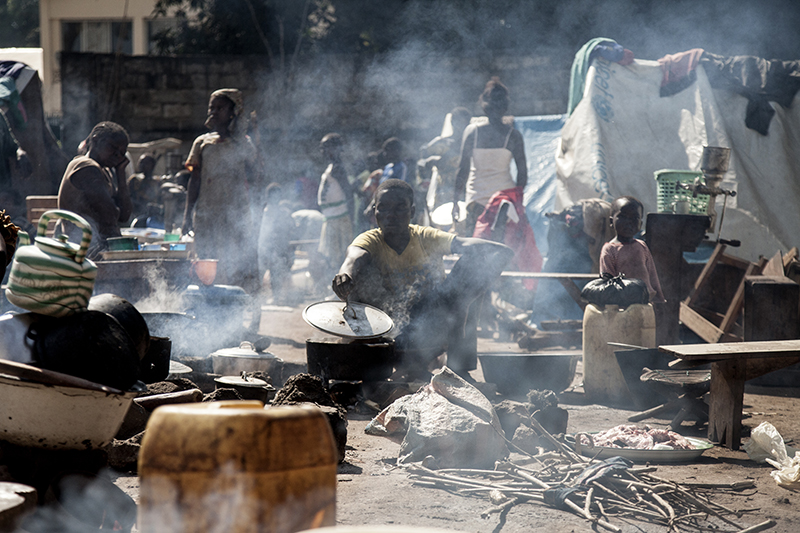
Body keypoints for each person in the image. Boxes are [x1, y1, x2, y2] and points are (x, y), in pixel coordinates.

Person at [332, 179, 514, 379]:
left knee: (471, 272)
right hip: (386, 329)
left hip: (430, 325)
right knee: (361, 273)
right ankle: (369, 362)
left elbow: (472, 247)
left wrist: (490, 265)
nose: (391, 215)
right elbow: (353, 257)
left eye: (400, 208)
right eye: (383, 209)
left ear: (412, 211)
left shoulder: (426, 237)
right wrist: (345, 275)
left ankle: (458, 368)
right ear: (374, 212)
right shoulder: (370, 240)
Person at [182, 88, 261, 297]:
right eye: (212, 108)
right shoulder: (202, 142)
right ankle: (212, 308)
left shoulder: (243, 143)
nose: (214, 112)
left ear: (233, 112)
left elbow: (256, 176)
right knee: (208, 261)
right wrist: (187, 214)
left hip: (235, 215)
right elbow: (195, 179)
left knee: (234, 260)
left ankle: (234, 307)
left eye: (220, 108)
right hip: (207, 214)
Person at [454, 78, 527, 236]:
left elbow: (462, 170)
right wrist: (518, 202)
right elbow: (523, 173)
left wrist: (455, 201)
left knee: (475, 250)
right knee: (503, 252)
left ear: (484, 105)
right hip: (505, 202)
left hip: (476, 199)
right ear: (505, 106)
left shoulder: (471, 132)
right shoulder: (513, 136)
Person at [56, 121, 132, 258]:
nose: (118, 156)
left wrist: (121, 173)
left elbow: (124, 215)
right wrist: (115, 211)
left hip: (93, 248)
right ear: (96, 140)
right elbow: (109, 216)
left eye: (122, 153)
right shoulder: (86, 167)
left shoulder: (104, 171)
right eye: (112, 148)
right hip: (81, 251)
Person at [599, 196, 665, 303]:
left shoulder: (641, 246)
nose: (628, 222)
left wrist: (658, 299)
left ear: (641, 223)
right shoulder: (610, 249)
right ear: (611, 221)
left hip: (645, 302)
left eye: (634, 218)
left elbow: (652, 274)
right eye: (623, 216)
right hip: (621, 304)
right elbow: (607, 280)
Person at [419, 107, 472, 214]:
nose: (461, 127)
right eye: (459, 122)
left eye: (465, 123)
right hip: (444, 191)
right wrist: (431, 161)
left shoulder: (472, 144)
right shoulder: (442, 143)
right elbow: (421, 160)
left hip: (465, 190)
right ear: (452, 122)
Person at [317, 133, 353, 278]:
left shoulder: (338, 168)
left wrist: (351, 219)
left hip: (340, 219)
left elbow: (349, 194)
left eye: (326, 148)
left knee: (340, 256)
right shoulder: (331, 167)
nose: (323, 151)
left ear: (337, 149)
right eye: (322, 148)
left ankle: (341, 289)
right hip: (331, 218)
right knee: (333, 256)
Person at [258, 183, 296, 303]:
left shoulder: (283, 213)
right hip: (263, 247)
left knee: (276, 273)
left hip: (278, 249)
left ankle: (276, 297)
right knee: (260, 273)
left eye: (277, 196)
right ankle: (257, 298)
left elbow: (289, 230)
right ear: (268, 197)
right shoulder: (263, 212)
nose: (276, 199)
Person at [127, 154, 162, 223]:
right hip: (136, 214)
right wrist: (141, 205)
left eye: (146, 163)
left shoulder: (157, 182)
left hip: (153, 216)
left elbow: (160, 199)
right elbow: (128, 197)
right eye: (141, 162)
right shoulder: (134, 180)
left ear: (153, 165)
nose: (142, 165)